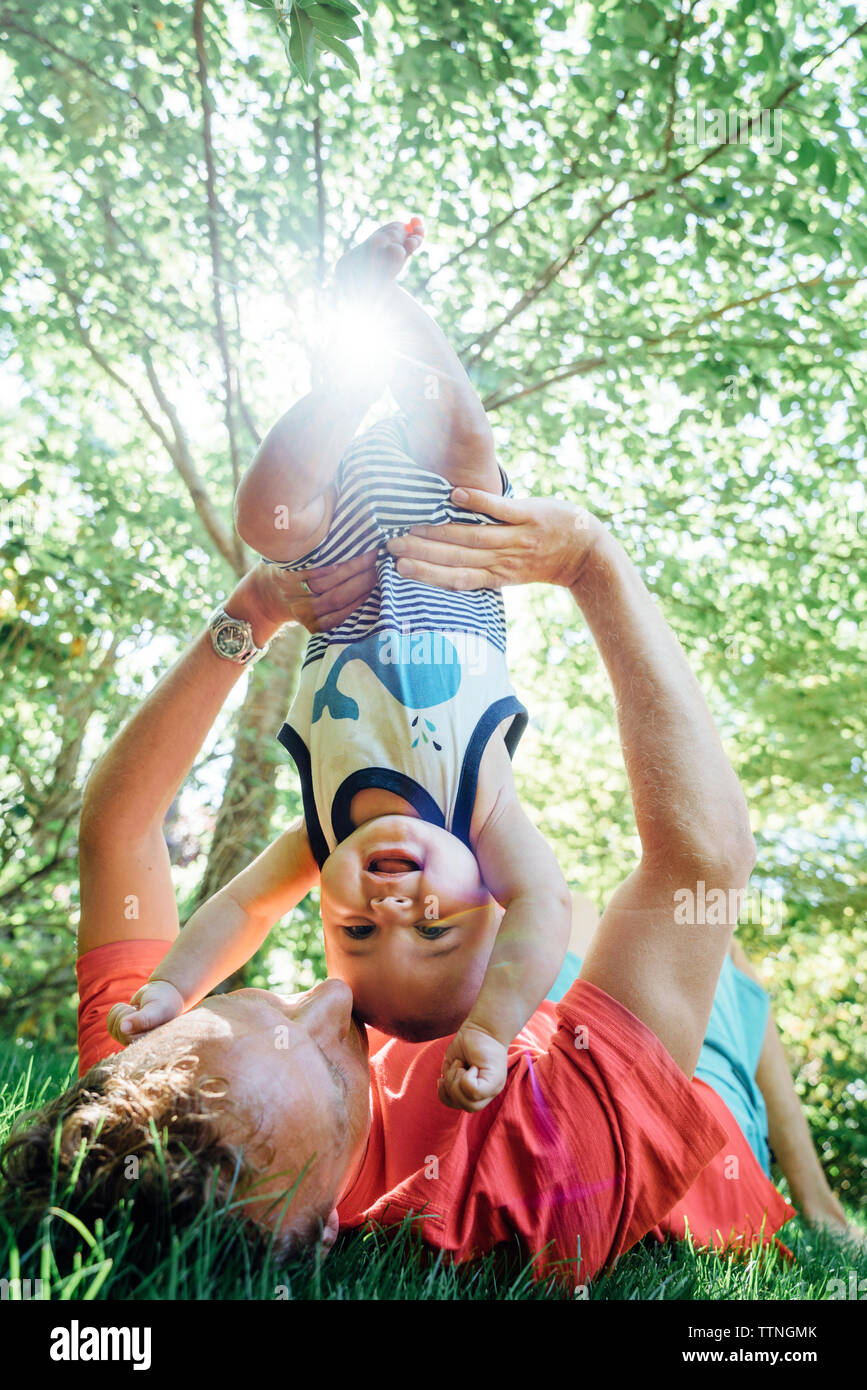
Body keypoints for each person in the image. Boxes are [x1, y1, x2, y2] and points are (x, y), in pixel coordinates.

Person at [2, 494, 853, 1282]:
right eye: (337, 1077)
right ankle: (813, 1197)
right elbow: (701, 860)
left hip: (489, 1011)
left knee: (561, 926)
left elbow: (118, 826)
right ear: (321, 1228)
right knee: (715, 954)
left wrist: (254, 613)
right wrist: (592, 563)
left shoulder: (152, 1086)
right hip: (691, 1147)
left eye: (263, 1002)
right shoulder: (541, 1178)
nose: (335, 998)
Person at [108, 219, 572, 1114]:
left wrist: (172, 991)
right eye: (438, 928)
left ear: (323, 904)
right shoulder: (483, 816)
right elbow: (546, 905)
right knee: (462, 434)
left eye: (357, 929)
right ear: (483, 894)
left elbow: (241, 913)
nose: (395, 908)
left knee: (266, 520)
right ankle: (384, 310)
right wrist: (491, 1027)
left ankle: (342, 384)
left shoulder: (321, 836)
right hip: (450, 531)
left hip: (335, 562)